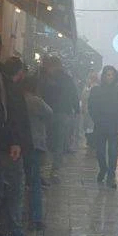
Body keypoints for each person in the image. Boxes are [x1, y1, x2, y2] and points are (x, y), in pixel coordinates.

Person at [0, 57, 37, 236]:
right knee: (14, 188)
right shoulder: (6, 86)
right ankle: (14, 234)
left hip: (4, 144)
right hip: (10, 146)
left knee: (1, 189)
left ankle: (1, 232)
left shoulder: (0, 81)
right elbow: (12, 117)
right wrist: (16, 141)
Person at [39, 56, 79, 184]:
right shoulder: (67, 78)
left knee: (46, 140)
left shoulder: (45, 77)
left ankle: (43, 170)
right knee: (58, 143)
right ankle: (54, 171)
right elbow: (74, 94)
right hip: (62, 113)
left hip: (48, 113)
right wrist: (76, 110)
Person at [20, 75, 53, 232]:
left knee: (22, 180)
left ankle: (20, 215)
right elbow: (49, 113)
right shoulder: (35, 100)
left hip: (20, 144)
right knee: (34, 182)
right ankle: (36, 218)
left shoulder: (17, 98)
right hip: (35, 143)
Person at [87, 66, 118, 187]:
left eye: (112, 75)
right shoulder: (96, 90)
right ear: (103, 76)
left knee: (113, 151)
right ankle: (103, 168)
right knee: (100, 151)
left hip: (114, 125)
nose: (109, 77)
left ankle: (111, 175)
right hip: (100, 125)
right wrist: (97, 119)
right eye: (107, 74)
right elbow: (91, 107)